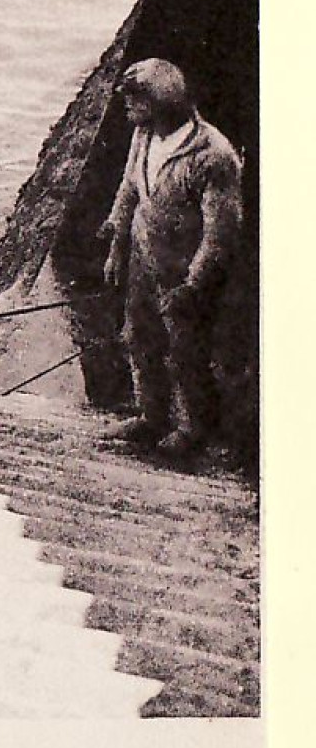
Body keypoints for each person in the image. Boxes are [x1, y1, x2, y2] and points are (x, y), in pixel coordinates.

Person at [101, 58, 243, 457]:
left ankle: (192, 427)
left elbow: (221, 232)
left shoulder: (213, 154)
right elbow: (130, 187)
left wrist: (194, 284)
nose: (127, 110)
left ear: (160, 102)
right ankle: (151, 415)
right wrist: (115, 241)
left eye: (135, 102)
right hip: (145, 261)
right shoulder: (143, 136)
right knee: (140, 337)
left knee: (185, 349)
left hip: (184, 271)